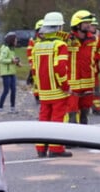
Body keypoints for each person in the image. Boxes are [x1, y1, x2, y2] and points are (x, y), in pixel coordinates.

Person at [32, 12, 72, 157]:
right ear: (59, 27)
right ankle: (56, 149)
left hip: (43, 90)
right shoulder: (60, 45)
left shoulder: (37, 45)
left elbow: (35, 69)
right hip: (57, 90)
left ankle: (41, 148)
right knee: (58, 119)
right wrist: (65, 86)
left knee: (44, 119)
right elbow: (60, 68)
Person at [66, 10, 100, 124]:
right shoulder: (67, 39)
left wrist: (94, 58)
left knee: (84, 117)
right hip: (72, 83)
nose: (89, 24)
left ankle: (82, 140)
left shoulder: (94, 39)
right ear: (77, 24)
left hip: (88, 83)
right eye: (86, 22)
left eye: (89, 22)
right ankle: (70, 141)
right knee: (72, 116)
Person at [0, 32, 20, 111]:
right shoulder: (5, 49)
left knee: (14, 90)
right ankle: (0, 107)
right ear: (11, 40)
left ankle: (12, 107)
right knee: (6, 90)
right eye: (15, 40)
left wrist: (17, 63)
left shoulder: (12, 49)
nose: (16, 41)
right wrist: (11, 60)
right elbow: (0, 59)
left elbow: (12, 60)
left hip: (12, 73)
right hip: (6, 73)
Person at [26, 19, 44, 104]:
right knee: (36, 82)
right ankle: (37, 97)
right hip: (35, 65)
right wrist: (31, 63)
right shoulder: (33, 40)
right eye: (40, 30)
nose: (41, 32)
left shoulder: (47, 39)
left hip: (44, 64)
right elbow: (29, 52)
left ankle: (43, 96)